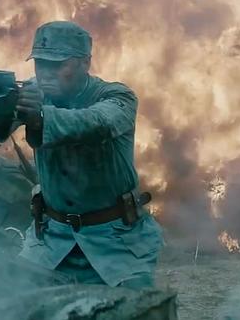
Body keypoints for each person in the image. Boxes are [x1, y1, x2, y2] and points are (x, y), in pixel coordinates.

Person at [14, 20, 165, 289]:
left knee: (135, 307)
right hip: (49, 241)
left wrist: (39, 117)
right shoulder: (33, 92)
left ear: (85, 63)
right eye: (40, 63)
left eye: (57, 65)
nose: (46, 73)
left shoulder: (117, 96)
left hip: (115, 243)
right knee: (13, 303)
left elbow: (98, 123)